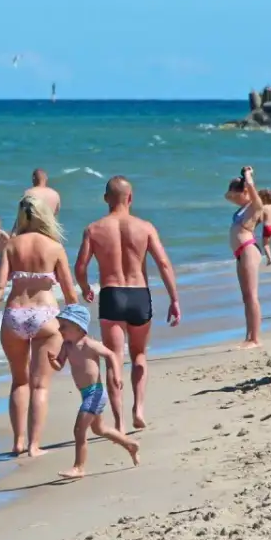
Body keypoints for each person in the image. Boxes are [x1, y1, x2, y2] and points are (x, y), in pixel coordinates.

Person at [74, 175, 180, 432]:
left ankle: (119, 422)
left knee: (114, 359)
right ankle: (139, 409)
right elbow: (164, 263)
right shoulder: (145, 227)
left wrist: (86, 288)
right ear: (130, 198)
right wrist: (174, 299)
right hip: (139, 295)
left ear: (105, 199)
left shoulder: (94, 229)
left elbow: (80, 267)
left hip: (112, 295)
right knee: (139, 354)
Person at [0, 195, 79, 457]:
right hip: (45, 315)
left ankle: (18, 442)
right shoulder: (54, 247)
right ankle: (34, 445)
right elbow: (69, 292)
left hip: (14, 315)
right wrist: (78, 326)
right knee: (40, 385)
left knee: (19, 382)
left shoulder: (11, 245)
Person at [48, 305, 141, 480]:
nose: (60, 330)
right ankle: (130, 444)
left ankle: (79, 467)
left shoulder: (89, 344)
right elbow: (59, 365)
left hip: (95, 393)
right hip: (85, 393)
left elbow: (111, 355)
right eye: (59, 326)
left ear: (78, 327)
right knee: (99, 429)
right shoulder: (67, 346)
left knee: (79, 430)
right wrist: (53, 361)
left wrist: (117, 375)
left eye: (64, 327)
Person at [225, 166, 265, 349]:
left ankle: (255, 339)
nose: (233, 197)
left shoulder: (255, 206)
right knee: (246, 297)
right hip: (240, 252)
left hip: (248, 249)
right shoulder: (242, 209)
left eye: (237, 194)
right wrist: (239, 183)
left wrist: (248, 177)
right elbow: (227, 195)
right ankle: (249, 336)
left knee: (252, 295)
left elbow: (250, 190)